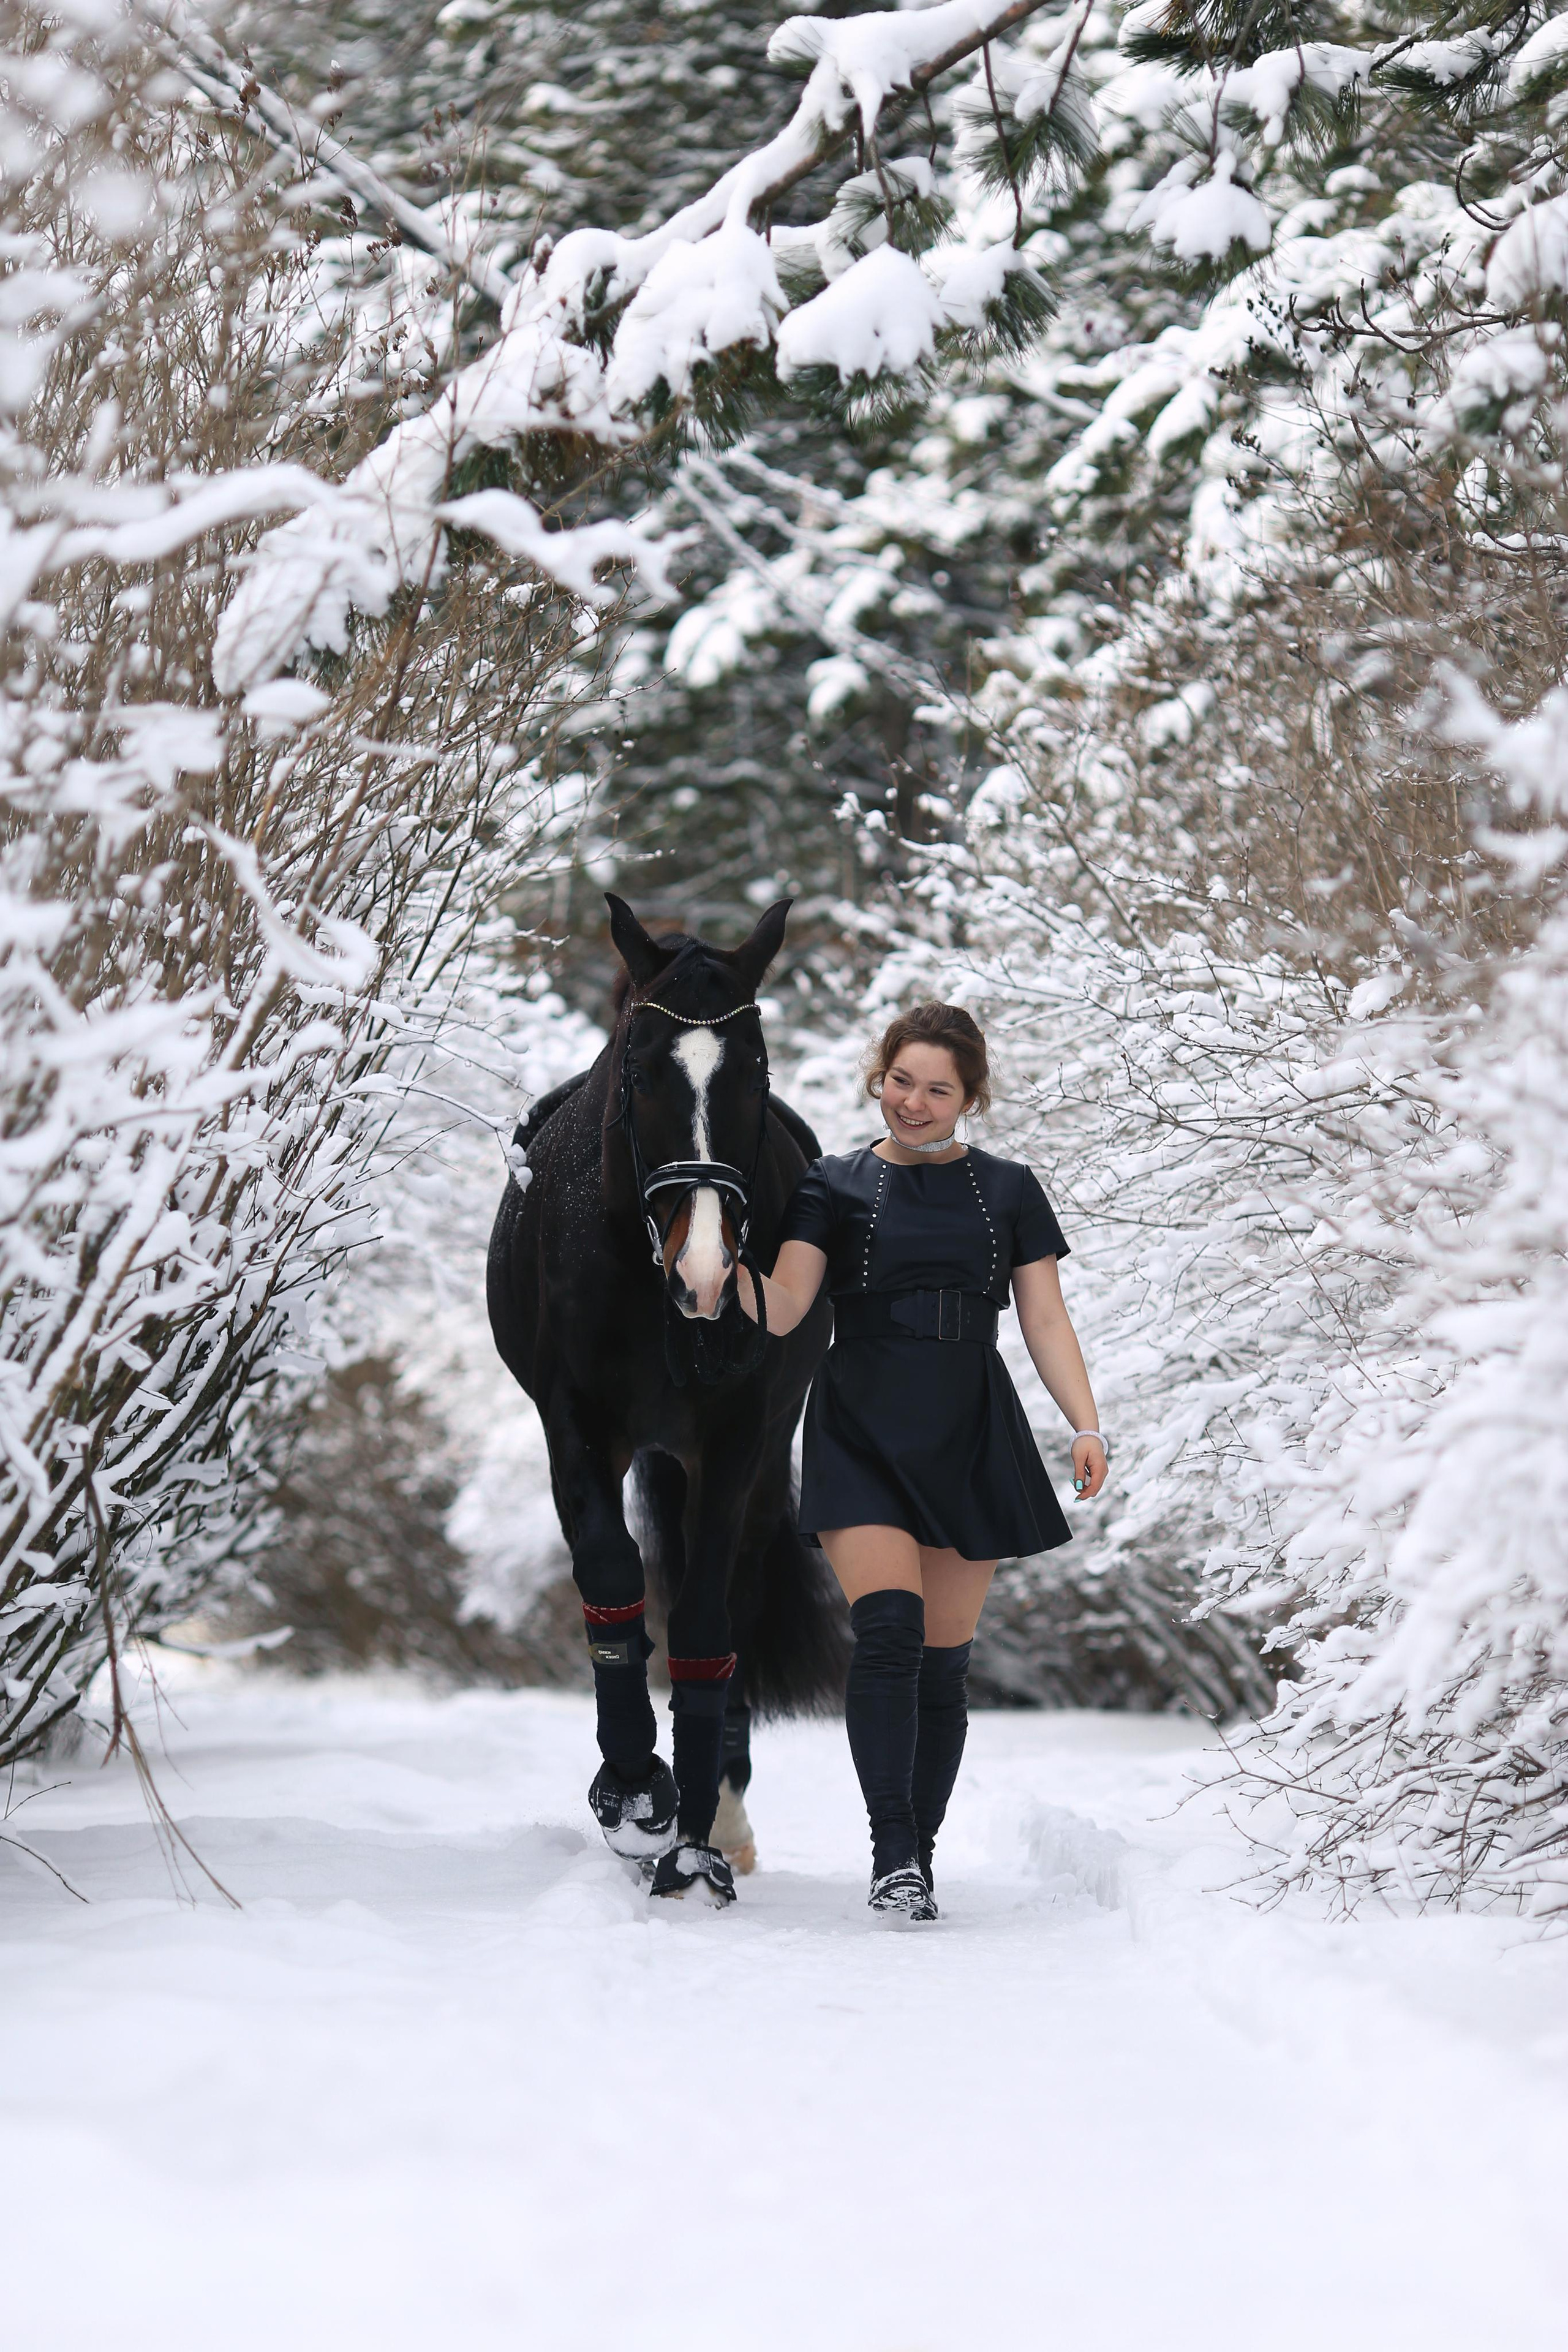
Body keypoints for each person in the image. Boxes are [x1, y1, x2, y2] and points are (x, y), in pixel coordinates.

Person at [739, 1002, 1107, 1924]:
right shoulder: (832, 1183)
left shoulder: (1012, 1189)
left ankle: (922, 1854)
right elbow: (786, 1306)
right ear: (880, 1074)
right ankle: (892, 1853)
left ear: (969, 1097)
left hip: (969, 1422)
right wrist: (714, 1273)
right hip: (859, 1420)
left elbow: (1044, 1319)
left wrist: (1086, 1424)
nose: (914, 1101)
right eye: (902, 1080)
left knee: (943, 1666)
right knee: (891, 1632)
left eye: (938, 1089)